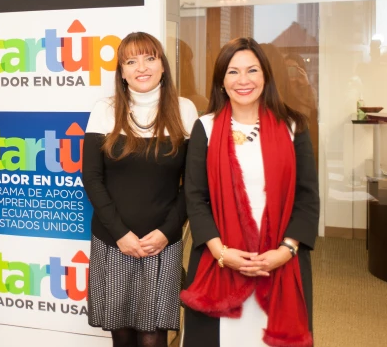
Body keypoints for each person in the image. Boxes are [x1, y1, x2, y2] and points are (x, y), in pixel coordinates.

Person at [181, 37, 319, 347]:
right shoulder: (205, 127)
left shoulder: (293, 126)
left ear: (266, 76)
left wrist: (285, 251)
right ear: (221, 80)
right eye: (233, 72)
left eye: (252, 70)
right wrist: (221, 252)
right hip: (218, 262)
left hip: (281, 262)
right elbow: (195, 197)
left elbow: (307, 197)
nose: (243, 80)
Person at [82, 32, 198, 347]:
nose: (141, 67)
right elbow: (92, 178)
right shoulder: (104, 109)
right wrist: (120, 234)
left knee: (153, 336)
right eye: (131, 61)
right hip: (113, 239)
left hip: (163, 242)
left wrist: (167, 231)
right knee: (120, 334)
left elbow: (194, 184)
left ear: (163, 65)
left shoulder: (184, 110)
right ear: (121, 72)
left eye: (149, 58)